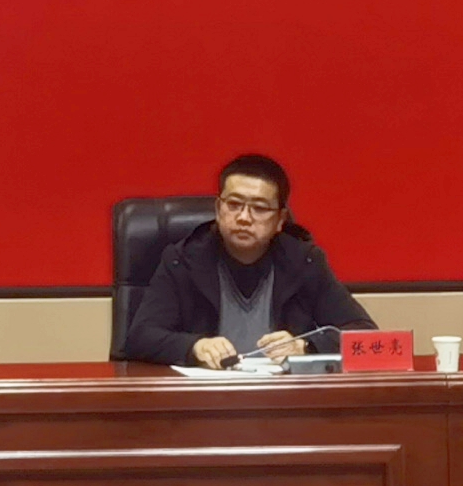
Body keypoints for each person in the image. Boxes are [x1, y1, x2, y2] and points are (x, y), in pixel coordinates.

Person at [120, 153, 378, 368]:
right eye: (234, 204)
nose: (244, 217)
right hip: (203, 400)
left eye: (260, 208)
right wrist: (194, 347)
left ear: (280, 220)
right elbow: (140, 338)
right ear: (218, 209)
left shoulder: (305, 262)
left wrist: (306, 346)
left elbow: (364, 334)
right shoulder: (183, 260)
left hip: (283, 400)